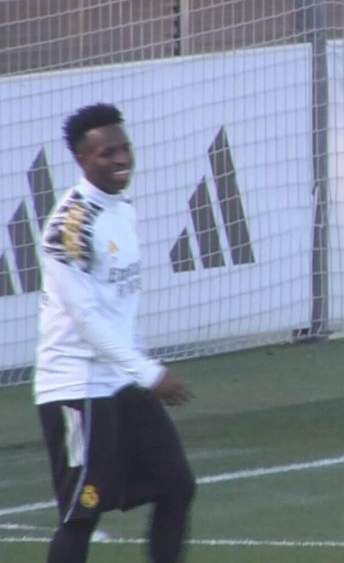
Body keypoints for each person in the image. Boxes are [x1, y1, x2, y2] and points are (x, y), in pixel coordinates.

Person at [35, 103, 195, 563]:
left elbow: (118, 309)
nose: (122, 159)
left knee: (177, 485)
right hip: (77, 387)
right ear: (83, 161)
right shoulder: (70, 228)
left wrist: (137, 368)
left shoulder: (122, 208)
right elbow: (86, 321)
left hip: (120, 380)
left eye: (125, 148)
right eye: (108, 153)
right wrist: (148, 373)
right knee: (82, 513)